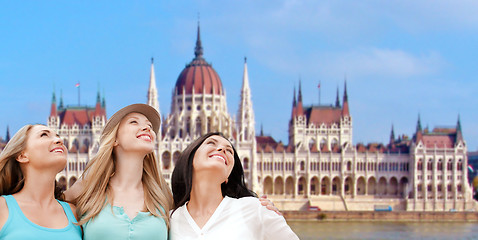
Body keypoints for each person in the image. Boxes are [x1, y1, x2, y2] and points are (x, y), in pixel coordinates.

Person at [64, 103, 173, 240]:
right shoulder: (89, 190)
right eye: (134, 122)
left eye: (150, 126)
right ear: (115, 139)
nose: (147, 128)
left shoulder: (163, 196)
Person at [170, 132, 299, 240]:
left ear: (228, 176)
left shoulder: (255, 208)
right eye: (211, 143)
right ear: (190, 158)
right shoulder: (169, 220)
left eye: (229, 150)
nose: (222, 149)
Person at [0, 124, 82, 239]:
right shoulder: (3, 208)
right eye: (44, 135)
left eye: (58, 136)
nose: (59, 140)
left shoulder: (74, 214)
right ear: (22, 155)